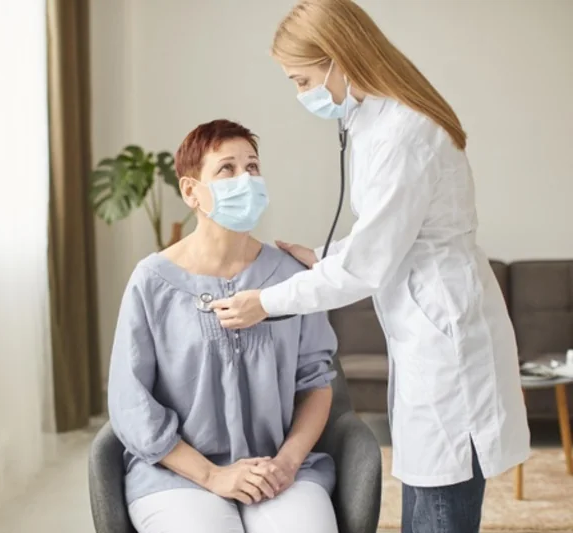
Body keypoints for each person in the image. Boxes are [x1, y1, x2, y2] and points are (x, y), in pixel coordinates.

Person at [209, 1, 530, 532]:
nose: (301, 94)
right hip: (428, 326)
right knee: (428, 494)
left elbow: (368, 267)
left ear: (338, 58)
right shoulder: (372, 120)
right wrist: (325, 257)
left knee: (440, 505)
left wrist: (264, 302)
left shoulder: (403, 134)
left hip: (445, 335)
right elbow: (390, 234)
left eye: (302, 80)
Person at [107, 119, 340, 533]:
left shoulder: (291, 277)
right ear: (191, 191)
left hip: (278, 470)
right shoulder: (152, 282)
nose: (245, 179)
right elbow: (131, 403)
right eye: (227, 169)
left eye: (252, 167)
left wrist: (286, 464)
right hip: (178, 475)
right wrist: (213, 476)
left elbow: (315, 384)